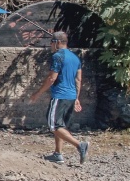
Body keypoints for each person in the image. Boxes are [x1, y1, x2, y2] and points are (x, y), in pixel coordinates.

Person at [29, 31, 89, 164]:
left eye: (51, 42)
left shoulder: (58, 56)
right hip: (71, 96)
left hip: (60, 96)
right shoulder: (75, 58)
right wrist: (77, 98)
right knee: (61, 125)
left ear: (57, 42)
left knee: (54, 125)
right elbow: (78, 80)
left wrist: (38, 93)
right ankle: (58, 154)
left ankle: (80, 145)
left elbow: (52, 78)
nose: (50, 45)